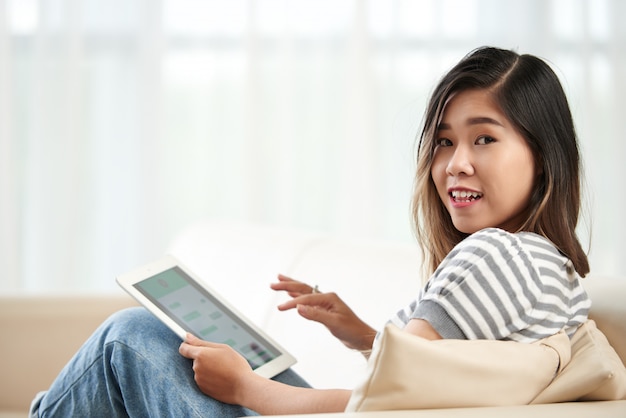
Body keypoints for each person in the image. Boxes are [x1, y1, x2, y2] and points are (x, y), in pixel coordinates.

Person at [30, 46, 591, 417]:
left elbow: (385, 407)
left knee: (130, 339)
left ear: (542, 156)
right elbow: (450, 386)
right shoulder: (554, 271)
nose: (455, 164)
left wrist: (249, 390)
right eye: (444, 141)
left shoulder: (494, 256)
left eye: (484, 139)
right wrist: (364, 335)